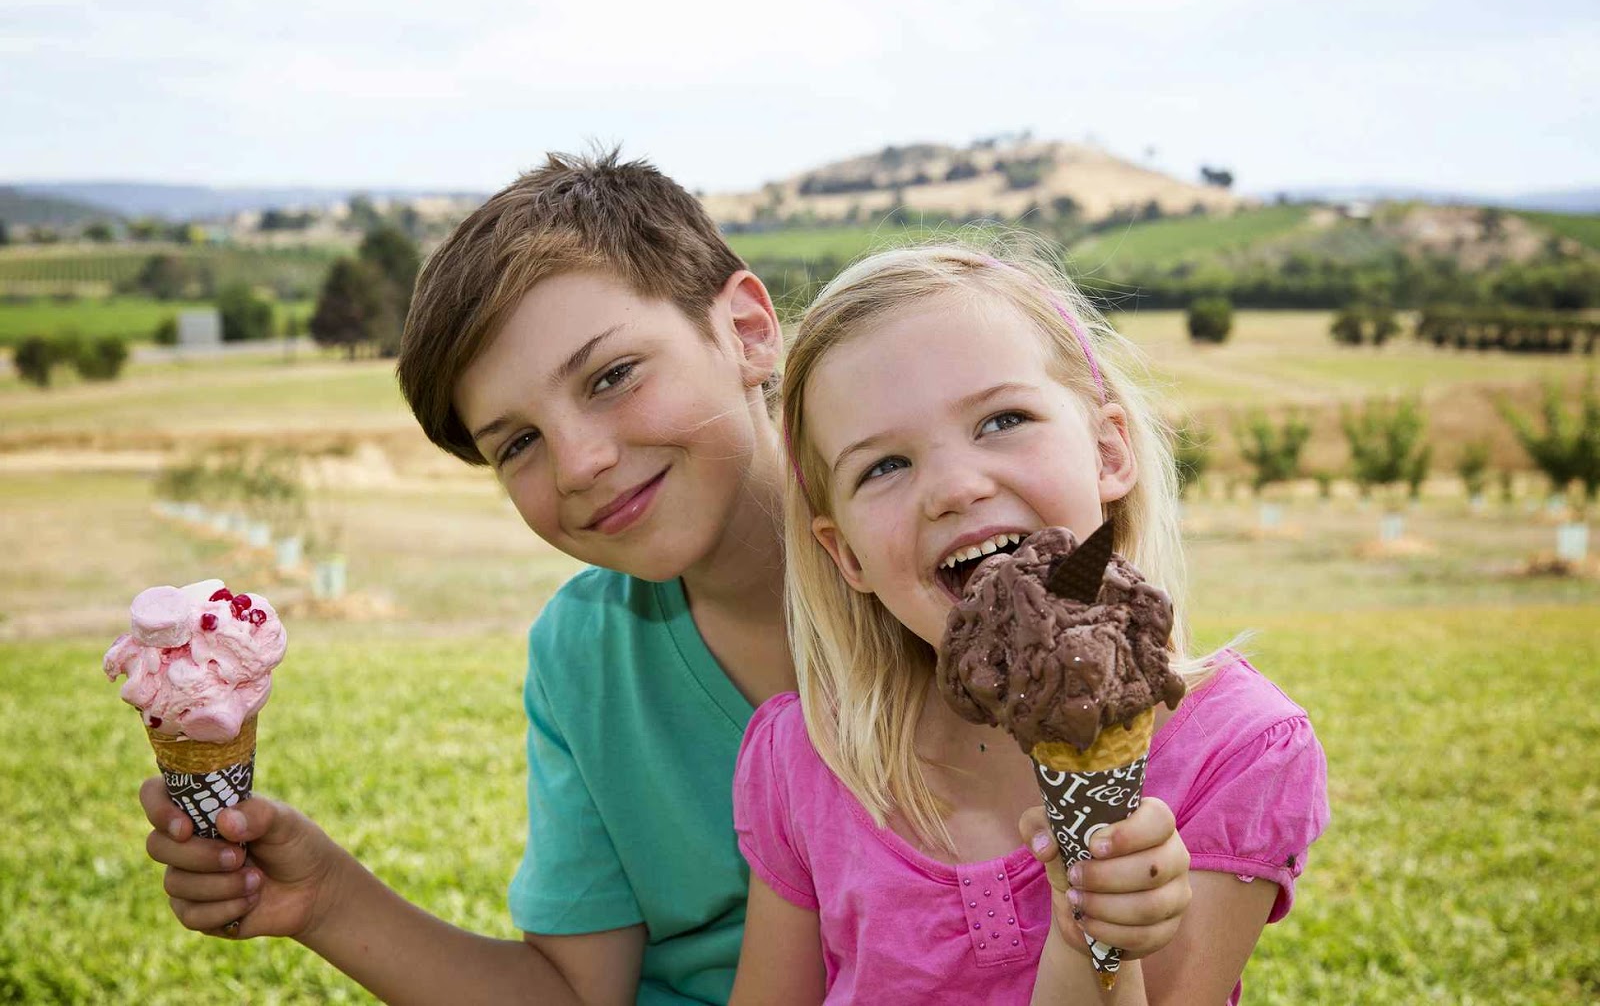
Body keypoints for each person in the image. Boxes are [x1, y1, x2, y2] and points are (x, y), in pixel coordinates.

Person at [135, 153, 1190, 1005]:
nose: (581, 459)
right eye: (517, 443)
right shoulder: (584, 653)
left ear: (743, 328)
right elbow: (575, 988)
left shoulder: (983, 581)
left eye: (610, 376)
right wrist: (328, 900)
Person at [729, 239, 1329, 1004]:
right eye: (883, 465)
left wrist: (1096, 937)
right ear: (846, 555)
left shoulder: (1235, 748)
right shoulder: (810, 758)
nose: (953, 487)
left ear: (1108, 450)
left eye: (1002, 419)